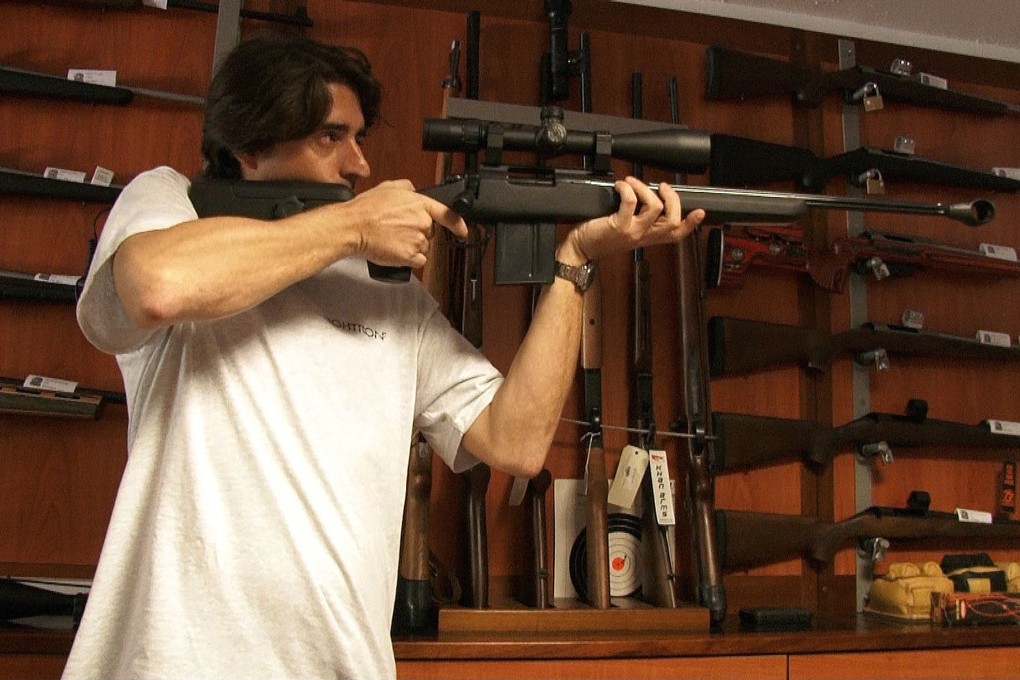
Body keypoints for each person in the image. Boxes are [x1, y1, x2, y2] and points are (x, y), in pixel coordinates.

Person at [65, 33, 703, 679]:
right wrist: (355, 226)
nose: (360, 165)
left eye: (359, 137)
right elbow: (159, 286)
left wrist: (576, 260)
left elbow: (515, 441)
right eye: (330, 137)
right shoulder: (169, 203)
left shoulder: (390, 296)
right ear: (250, 147)